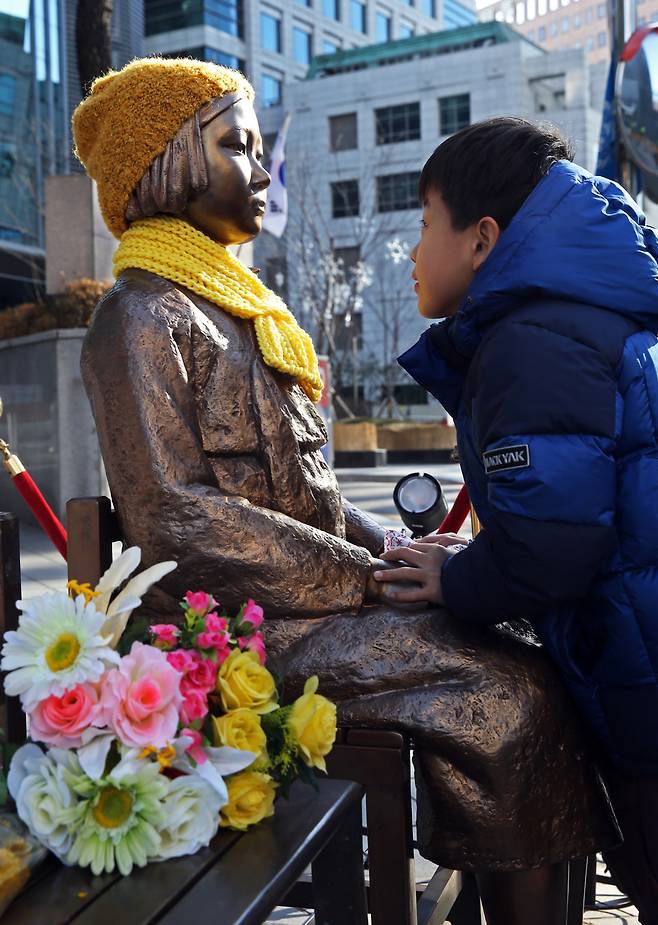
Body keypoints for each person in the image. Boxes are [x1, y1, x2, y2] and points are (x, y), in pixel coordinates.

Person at [72, 67, 617, 924]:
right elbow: (175, 516)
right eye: (236, 146)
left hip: (304, 606)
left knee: (513, 638)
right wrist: (360, 577)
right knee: (508, 696)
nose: (261, 169)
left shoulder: (240, 312)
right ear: (168, 159)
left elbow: (312, 500)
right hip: (237, 627)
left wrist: (389, 554)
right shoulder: (138, 316)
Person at [377, 116, 658, 923]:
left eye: (425, 223)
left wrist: (457, 575)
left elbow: (553, 547)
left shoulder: (530, 340)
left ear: (483, 238)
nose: (414, 250)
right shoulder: (583, 311)